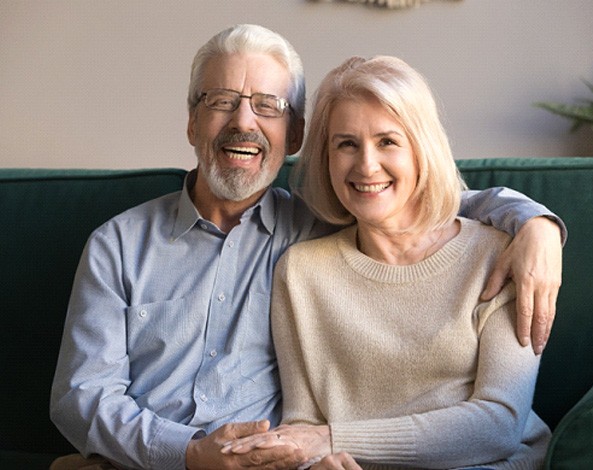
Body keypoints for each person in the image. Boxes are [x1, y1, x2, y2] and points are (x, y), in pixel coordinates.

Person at [50, 25, 562, 470]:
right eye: (221, 101)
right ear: (191, 121)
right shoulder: (118, 244)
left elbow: (416, 204)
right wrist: (187, 453)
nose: (243, 122)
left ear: (293, 133)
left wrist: (536, 223)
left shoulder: (318, 224)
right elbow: (81, 396)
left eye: (267, 106)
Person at [223, 55, 552, 469]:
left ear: (421, 150)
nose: (366, 165)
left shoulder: (499, 254)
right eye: (346, 144)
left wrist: (331, 440)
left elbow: (498, 425)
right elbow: (302, 427)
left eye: (387, 141)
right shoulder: (300, 272)